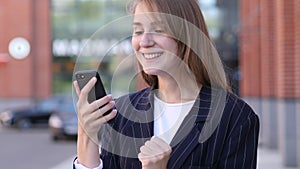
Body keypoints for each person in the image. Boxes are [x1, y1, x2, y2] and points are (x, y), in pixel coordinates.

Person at [73, 0, 260, 168]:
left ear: (187, 36)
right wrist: (86, 136)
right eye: (138, 31)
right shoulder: (122, 113)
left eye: (158, 30)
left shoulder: (235, 118)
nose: (144, 42)